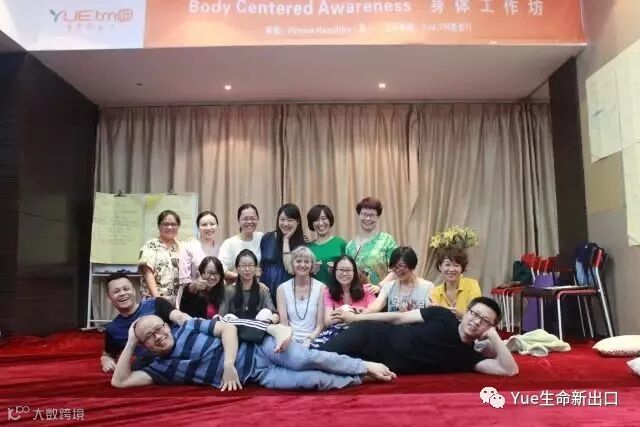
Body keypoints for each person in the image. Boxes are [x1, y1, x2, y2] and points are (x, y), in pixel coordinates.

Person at [110, 313, 397, 391]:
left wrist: (229, 364)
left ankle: (363, 365)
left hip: (261, 348)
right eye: (150, 337)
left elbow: (228, 329)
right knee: (311, 381)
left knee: (304, 359)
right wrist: (132, 341)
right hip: (259, 375)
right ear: (144, 345)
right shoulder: (159, 368)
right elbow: (120, 382)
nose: (159, 336)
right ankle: (359, 377)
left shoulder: (187, 327)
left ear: (166, 325)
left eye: (159, 328)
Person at [320, 297, 519, 377]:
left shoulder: (469, 357)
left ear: (489, 327)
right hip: (371, 335)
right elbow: (398, 318)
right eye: (475, 314)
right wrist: (356, 318)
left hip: (377, 366)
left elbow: (510, 370)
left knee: (323, 372)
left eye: (484, 321)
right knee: (318, 359)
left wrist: (493, 335)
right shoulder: (443, 315)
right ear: (466, 312)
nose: (476, 322)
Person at [100, 272, 175, 373]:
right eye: (116, 291)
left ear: (134, 291)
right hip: (149, 366)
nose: (122, 293)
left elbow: (180, 317)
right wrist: (106, 361)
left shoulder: (157, 304)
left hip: (174, 352)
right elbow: (107, 354)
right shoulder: (113, 328)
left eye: (126, 289)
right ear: (109, 298)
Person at [276, 246, 325, 347]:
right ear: (292, 264)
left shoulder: (322, 288)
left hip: (314, 340)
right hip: (289, 340)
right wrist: (290, 341)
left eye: (307, 261)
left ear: (312, 265)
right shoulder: (282, 289)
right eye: (298, 261)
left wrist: (309, 340)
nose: (302, 265)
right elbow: (284, 323)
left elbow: (320, 325)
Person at [345, 197, 397, 290]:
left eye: (372, 215)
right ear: (359, 215)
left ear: (378, 217)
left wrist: (380, 286)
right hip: (356, 293)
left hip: (381, 293)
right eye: (364, 214)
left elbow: (395, 269)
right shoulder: (350, 245)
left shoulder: (387, 240)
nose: (368, 218)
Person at [365, 247, 434, 313]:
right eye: (394, 267)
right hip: (393, 321)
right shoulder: (388, 286)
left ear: (412, 265)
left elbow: (431, 310)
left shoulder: (427, 287)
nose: (397, 270)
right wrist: (364, 312)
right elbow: (377, 304)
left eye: (401, 266)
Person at [219, 249, 279, 323]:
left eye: (250, 265)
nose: (247, 269)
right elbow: (221, 316)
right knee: (229, 317)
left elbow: (274, 314)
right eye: (243, 265)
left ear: (256, 268)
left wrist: (269, 321)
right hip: (235, 328)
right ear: (237, 268)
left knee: (266, 312)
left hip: (257, 326)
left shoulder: (262, 290)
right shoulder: (229, 290)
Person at [260, 203, 305, 297]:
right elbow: (261, 266)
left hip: (289, 291)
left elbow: (290, 270)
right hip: (265, 289)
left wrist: (286, 240)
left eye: (290, 220)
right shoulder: (267, 237)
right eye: (282, 219)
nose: (285, 224)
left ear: (297, 222)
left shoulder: (301, 243)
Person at [138, 210, 182, 300]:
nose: (170, 227)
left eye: (173, 224)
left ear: (178, 226)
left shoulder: (181, 246)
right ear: (159, 226)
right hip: (154, 299)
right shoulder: (151, 245)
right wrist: (158, 300)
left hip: (176, 301)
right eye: (166, 224)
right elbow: (147, 273)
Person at [430, 248, 482, 317]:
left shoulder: (472, 285)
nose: (451, 269)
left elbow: (476, 314)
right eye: (447, 265)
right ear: (440, 267)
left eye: (456, 265)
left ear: (462, 268)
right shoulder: (435, 292)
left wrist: (460, 315)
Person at [218, 204, 264, 282]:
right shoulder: (229, 243)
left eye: (252, 218)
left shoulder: (261, 237)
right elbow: (221, 269)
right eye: (245, 219)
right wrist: (244, 275)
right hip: (237, 286)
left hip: (258, 285)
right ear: (239, 221)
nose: (249, 222)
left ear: (257, 219)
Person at [306, 204, 347, 285]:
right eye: (316, 220)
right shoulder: (308, 248)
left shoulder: (341, 244)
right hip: (315, 291)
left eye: (324, 218)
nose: (320, 223)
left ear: (329, 220)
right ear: (312, 223)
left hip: (336, 291)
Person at [179, 210, 222, 286]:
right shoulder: (188, 247)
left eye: (212, 224)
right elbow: (184, 280)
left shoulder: (220, 249)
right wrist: (196, 284)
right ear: (198, 227)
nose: (208, 228)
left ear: (217, 226)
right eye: (204, 225)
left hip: (216, 291)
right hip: (192, 292)